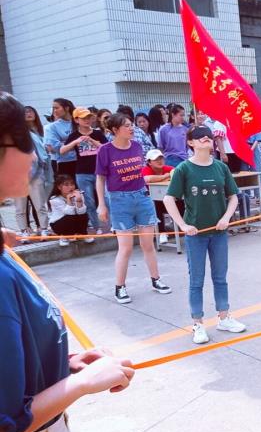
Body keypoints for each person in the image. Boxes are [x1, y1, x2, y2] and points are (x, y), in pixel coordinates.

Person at [0, 91, 135, 432]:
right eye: (24, 140)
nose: (34, 154)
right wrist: (80, 384)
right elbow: (4, 425)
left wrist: (67, 366)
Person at [163, 125, 247, 344]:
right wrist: (182, 225)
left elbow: (233, 196)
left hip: (219, 232)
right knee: (196, 280)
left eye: (208, 135)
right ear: (190, 142)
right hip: (196, 234)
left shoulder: (220, 167)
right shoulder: (183, 169)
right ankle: (198, 323)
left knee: (220, 277)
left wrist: (226, 217)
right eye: (200, 136)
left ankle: (224, 317)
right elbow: (168, 199)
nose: (206, 139)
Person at [96, 113, 172, 304]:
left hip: (142, 196)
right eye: (127, 126)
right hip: (119, 200)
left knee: (148, 244)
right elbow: (100, 179)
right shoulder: (105, 150)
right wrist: (101, 204)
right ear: (115, 130)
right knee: (126, 248)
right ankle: (120, 287)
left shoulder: (137, 146)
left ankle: (156, 279)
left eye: (132, 125)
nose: (131, 129)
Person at [62, 107, 107, 234]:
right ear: (76, 120)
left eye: (88, 117)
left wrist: (92, 141)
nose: (87, 120)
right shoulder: (74, 135)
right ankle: (97, 227)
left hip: (100, 172)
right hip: (82, 173)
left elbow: (107, 148)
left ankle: (113, 225)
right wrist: (76, 142)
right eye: (83, 118)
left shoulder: (97, 133)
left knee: (106, 199)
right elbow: (62, 151)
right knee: (89, 201)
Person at [14, 106, 52, 239]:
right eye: (25, 112)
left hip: (37, 172)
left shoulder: (41, 131)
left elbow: (44, 154)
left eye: (30, 111)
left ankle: (44, 228)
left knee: (40, 204)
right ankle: (24, 230)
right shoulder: (17, 132)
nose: (28, 114)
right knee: (20, 206)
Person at [141, 148, 181, 245]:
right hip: (148, 199)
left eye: (161, 158)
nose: (160, 161)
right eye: (156, 159)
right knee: (156, 205)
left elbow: (176, 173)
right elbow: (147, 179)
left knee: (181, 201)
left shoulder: (167, 168)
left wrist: (163, 177)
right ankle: (162, 233)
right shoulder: (146, 169)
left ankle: (182, 224)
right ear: (149, 162)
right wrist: (165, 176)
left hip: (167, 197)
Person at [47, 174, 94, 247]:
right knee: (70, 217)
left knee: (84, 215)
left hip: (73, 220)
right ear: (59, 187)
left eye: (72, 184)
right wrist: (69, 200)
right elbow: (69, 213)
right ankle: (64, 236)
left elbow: (82, 212)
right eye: (66, 185)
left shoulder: (78, 194)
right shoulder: (54, 200)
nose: (71, 187)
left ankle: (82, 234)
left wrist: (79, 200)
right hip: (58, 223)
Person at [44, 98, 76, 177]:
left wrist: (64, 143)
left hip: (83, 161)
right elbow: (56, 147)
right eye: (53, 108)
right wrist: (76, 143)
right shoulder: (52, 127)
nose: (54, 111)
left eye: (57, 108)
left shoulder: (78, 122)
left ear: (67, 108)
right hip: (65, 163)